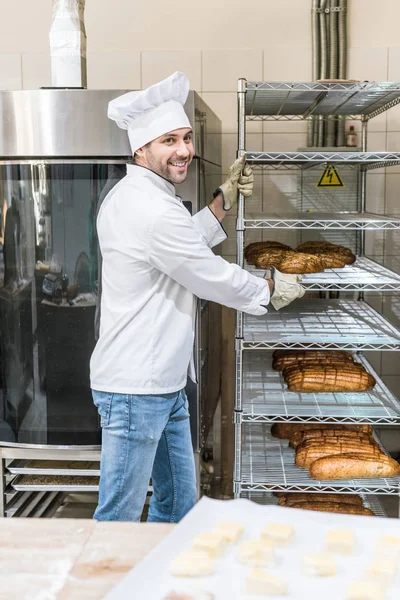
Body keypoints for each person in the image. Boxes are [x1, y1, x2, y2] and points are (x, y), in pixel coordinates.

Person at [90, 72, 304, 523]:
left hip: (161, 384)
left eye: (186, 138)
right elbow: (206, 274)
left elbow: (181, 246)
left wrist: (221, 202)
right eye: (169, 140)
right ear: (140, 148)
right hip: (136, 389)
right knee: (117, 519)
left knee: (177, 505)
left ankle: (162, 587)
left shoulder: (139, 197)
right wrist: (268, 288)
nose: (185, 150)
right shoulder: (150, 209)